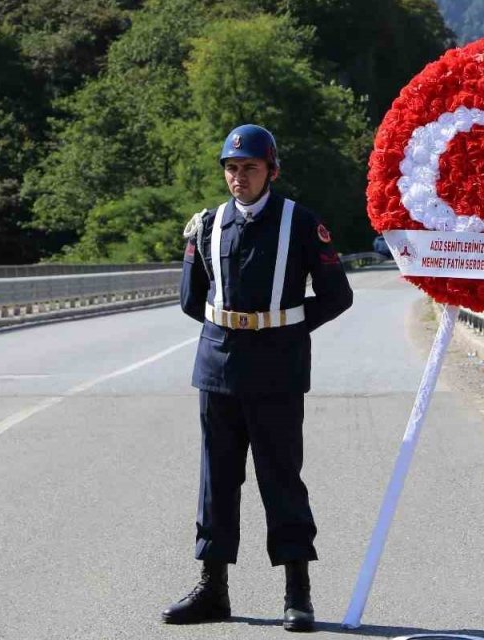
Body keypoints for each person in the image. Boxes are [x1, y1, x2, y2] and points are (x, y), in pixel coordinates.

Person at [165, 124, 353, 632]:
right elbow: (191, 299)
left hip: (277, 371)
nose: (238, 178)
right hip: (218, 368)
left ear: (271, 170)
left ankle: (298, 593)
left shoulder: (302, 222)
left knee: (281, 479)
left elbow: (338, 296)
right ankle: (213, 589)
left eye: (249, 168)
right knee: (216, 481)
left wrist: (285, 328)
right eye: (231, 168)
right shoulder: (206, 225)